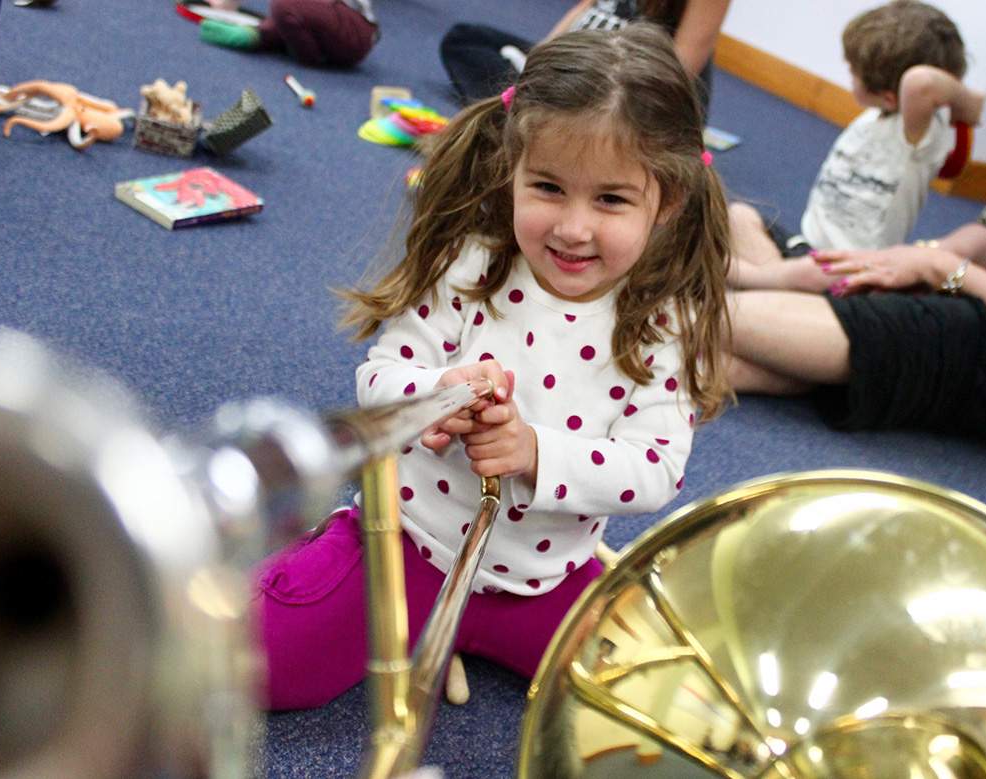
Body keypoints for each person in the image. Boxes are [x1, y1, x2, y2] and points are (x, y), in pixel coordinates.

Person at [256, 22, 733, 710]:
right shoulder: (473, 264)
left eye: (611, 199)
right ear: (512, 169)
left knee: (665, 711)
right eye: (548, 187)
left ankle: (458, 633)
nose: (573, 228)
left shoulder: (666, 323)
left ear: (669, 201)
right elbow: (379, 379)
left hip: (542, 584)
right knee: (257, 665)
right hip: (409, 547)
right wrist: (434, 393)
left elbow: (655, 468)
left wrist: (534, 451)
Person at [726, 97, 986, 472]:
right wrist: (909, 261)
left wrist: (945, 270)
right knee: (747, 221)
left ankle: (694, 321)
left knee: (954, 330)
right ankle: (744, 343)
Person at [728, 0, 984, 291]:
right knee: (739, 216)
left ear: (889, 97)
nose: (849, 75)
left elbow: (921, 82)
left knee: (810, 273)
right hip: (807, 250)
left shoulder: (916, 134)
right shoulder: (877, 114)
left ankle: (756, 280)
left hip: (851, 269)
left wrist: (967, 105)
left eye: (853, 72)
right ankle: (780, 286)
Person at [439, 0, 731, 117]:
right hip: (571, 57)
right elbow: (584, 7)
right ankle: (532, 104)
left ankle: (528, 107)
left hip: (624, 84)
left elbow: (680, 67)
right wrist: (539, 57)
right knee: (464, 39)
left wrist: (616, 91)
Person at [198, 0, 379, 68]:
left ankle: (309, 56)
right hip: (332, 31)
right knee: (288, 15)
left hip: (354, 30)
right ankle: (257, 35)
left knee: (283, 6)